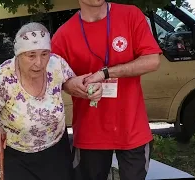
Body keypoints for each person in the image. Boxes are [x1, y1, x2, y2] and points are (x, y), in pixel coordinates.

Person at [0, 22, 102, 180]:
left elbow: (70, 84)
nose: (39, 63)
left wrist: (87, 89)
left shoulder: (56, 64)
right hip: (17, 157)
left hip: (56, 152)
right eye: (31, 55)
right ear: (18, 55)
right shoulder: (3, 78)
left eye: (44, 54)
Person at [51, 1, 162, 180]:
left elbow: (152, 60)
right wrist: (74, 85)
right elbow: (54, 79)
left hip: (131, 129)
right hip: (90, 132)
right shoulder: (64, 34)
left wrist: (105, 73)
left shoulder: (131, 15)